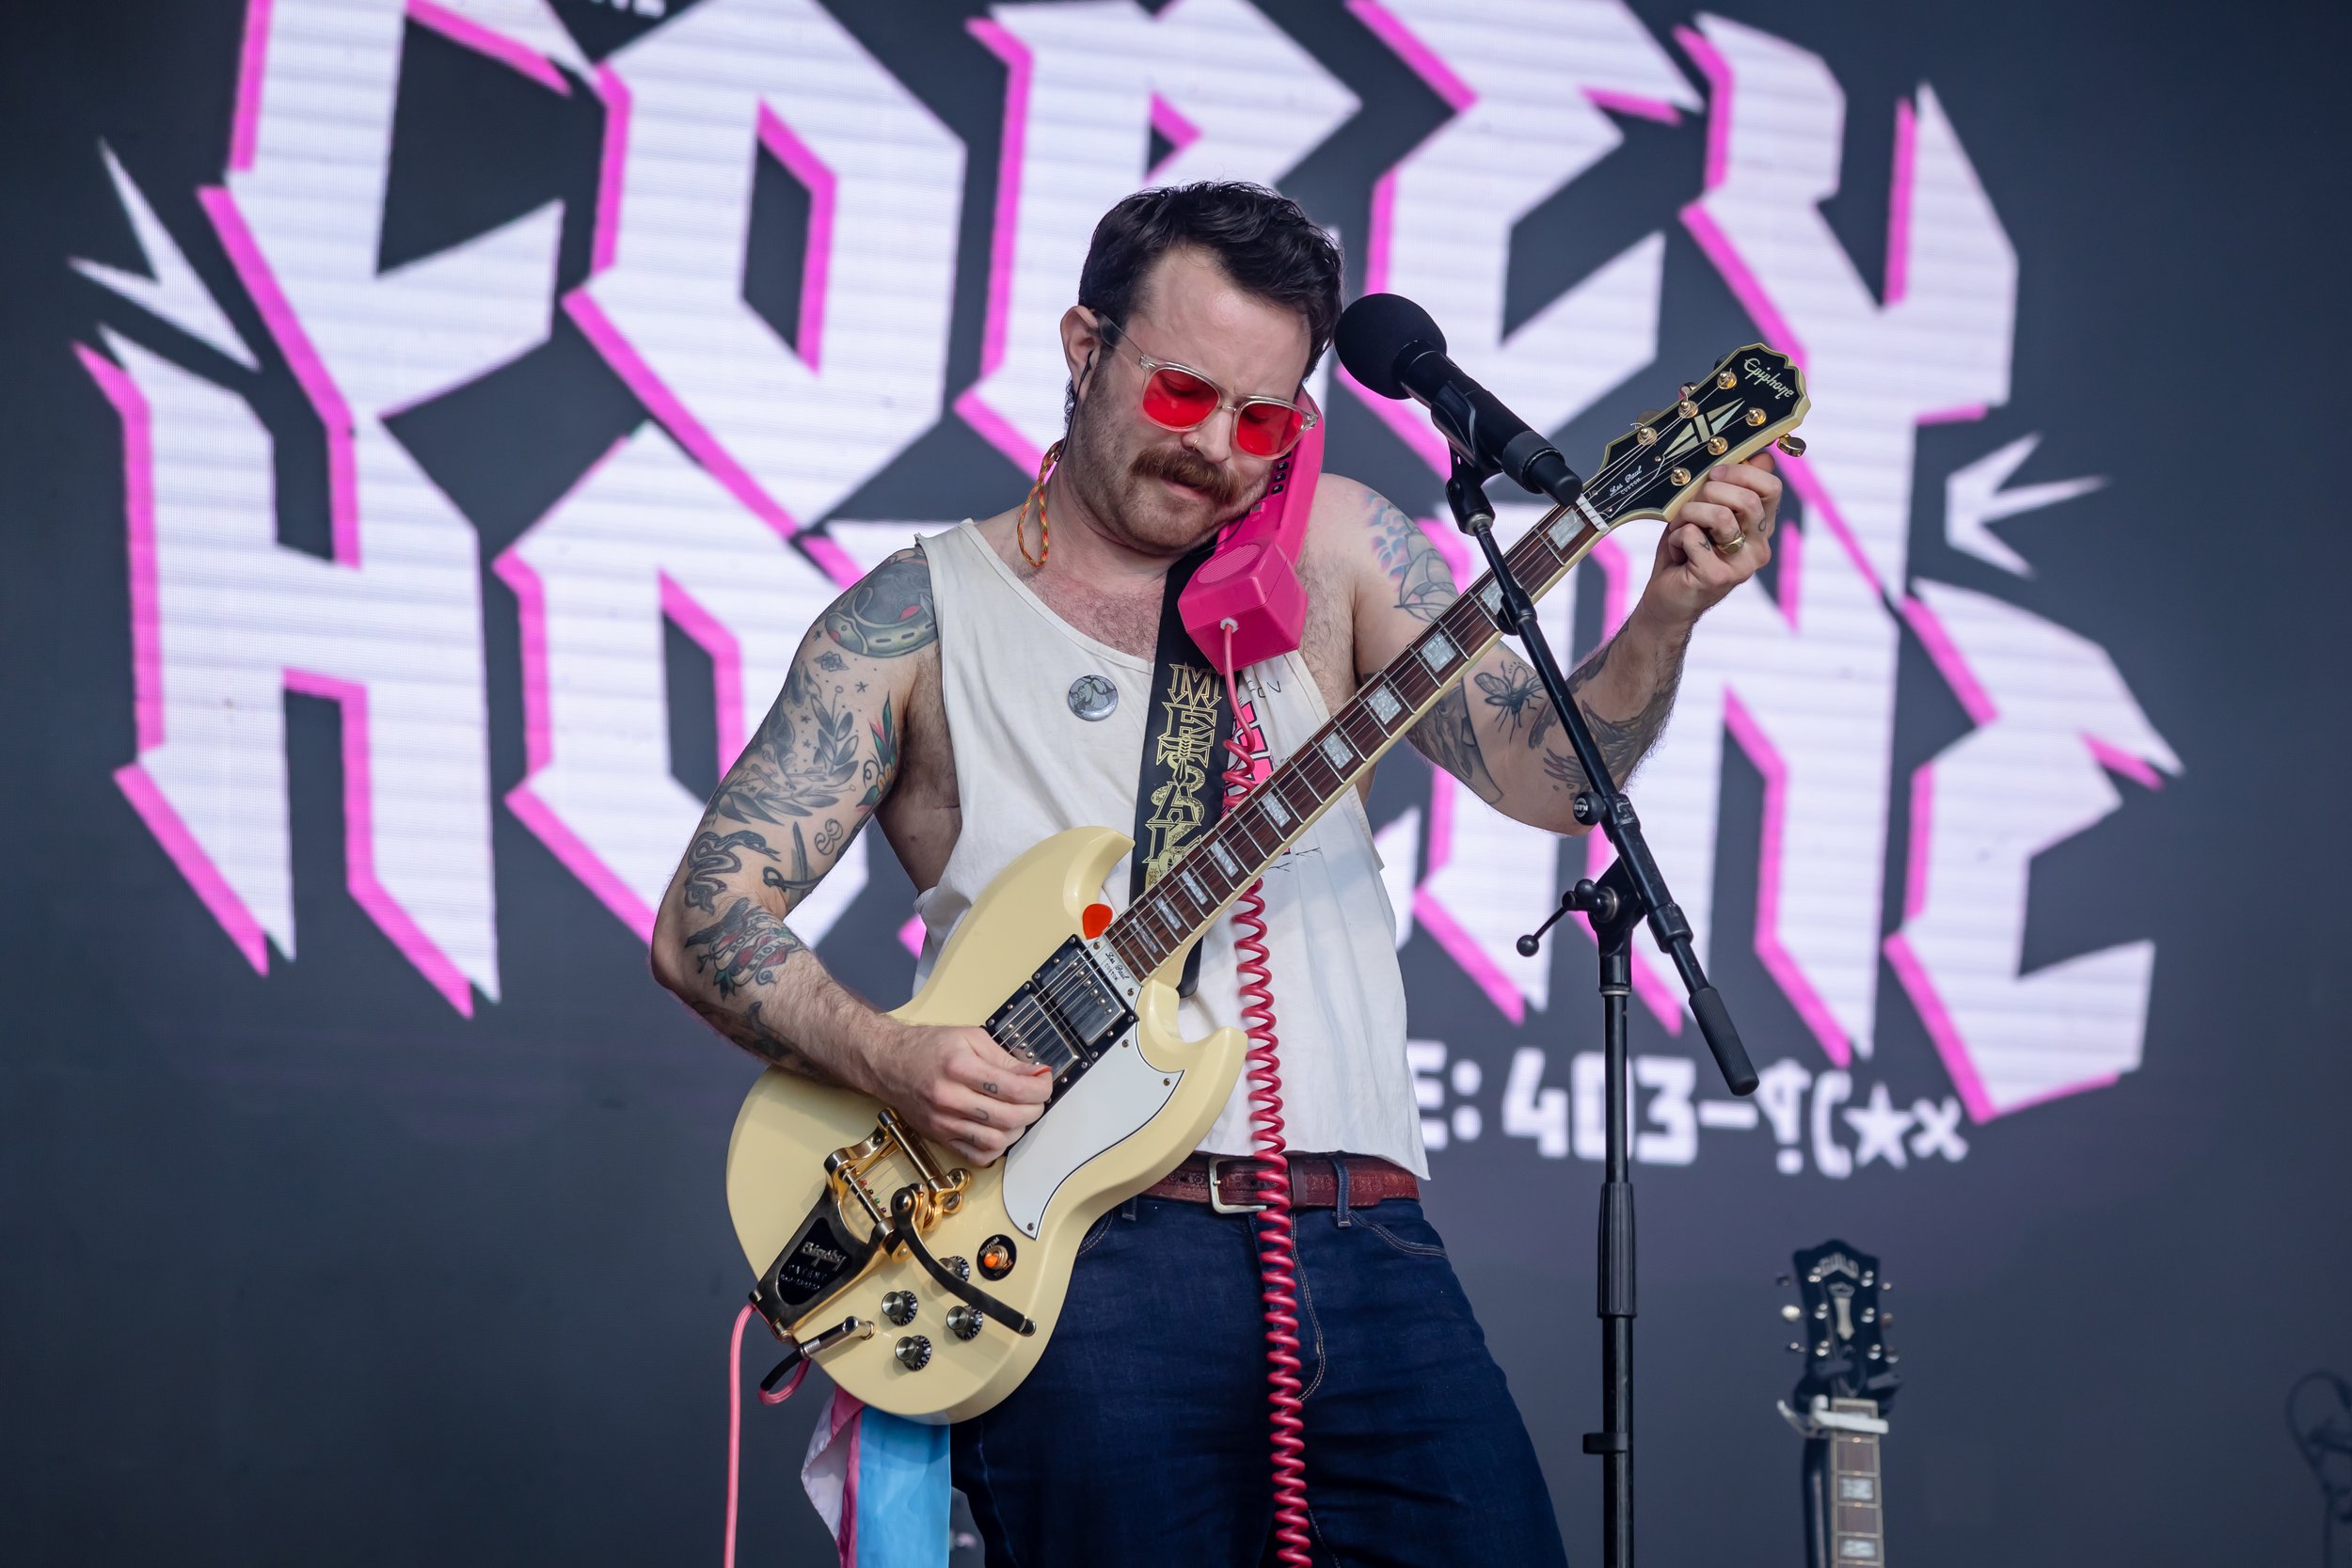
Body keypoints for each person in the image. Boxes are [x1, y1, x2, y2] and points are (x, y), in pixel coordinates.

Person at [648, 181, 1780, 1567]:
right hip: (1091, 1265)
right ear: (1085, 349)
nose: (1217, 452)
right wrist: (883, 1053)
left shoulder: (1342, 547)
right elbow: (708, 918)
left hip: (1368, 1243)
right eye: (1181, 394)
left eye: (1264, 422)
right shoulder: (921, 608)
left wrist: (1664, 614)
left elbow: (1553, 779)